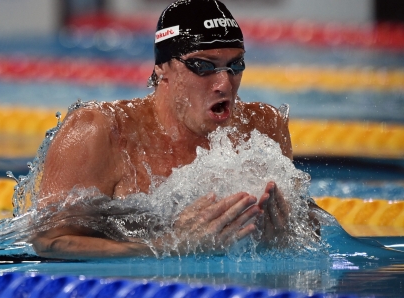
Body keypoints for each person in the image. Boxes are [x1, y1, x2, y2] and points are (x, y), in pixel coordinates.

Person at [30, 0, 319, 259]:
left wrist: (284, 236)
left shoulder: (263, 128)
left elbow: (311, 227)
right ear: (162, 68)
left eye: (235, 65)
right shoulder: (100, 132)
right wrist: (169, 246)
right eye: (203, 66)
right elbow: (49, 241)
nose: (225, 84)